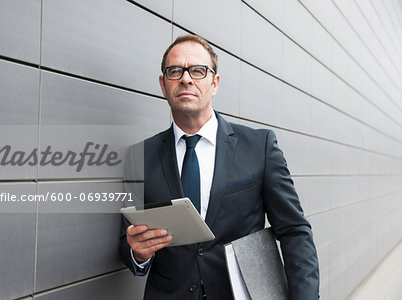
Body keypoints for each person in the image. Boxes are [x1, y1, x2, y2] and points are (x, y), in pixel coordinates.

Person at [119, 34, 319, 300]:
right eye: (175, 71)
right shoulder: (139, 157)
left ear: (215, 83)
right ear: (163, 84)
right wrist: (137, 253)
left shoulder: (259, 146)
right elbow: (126, 241)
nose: (186, 78)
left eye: (198, 71)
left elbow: (294, 230)